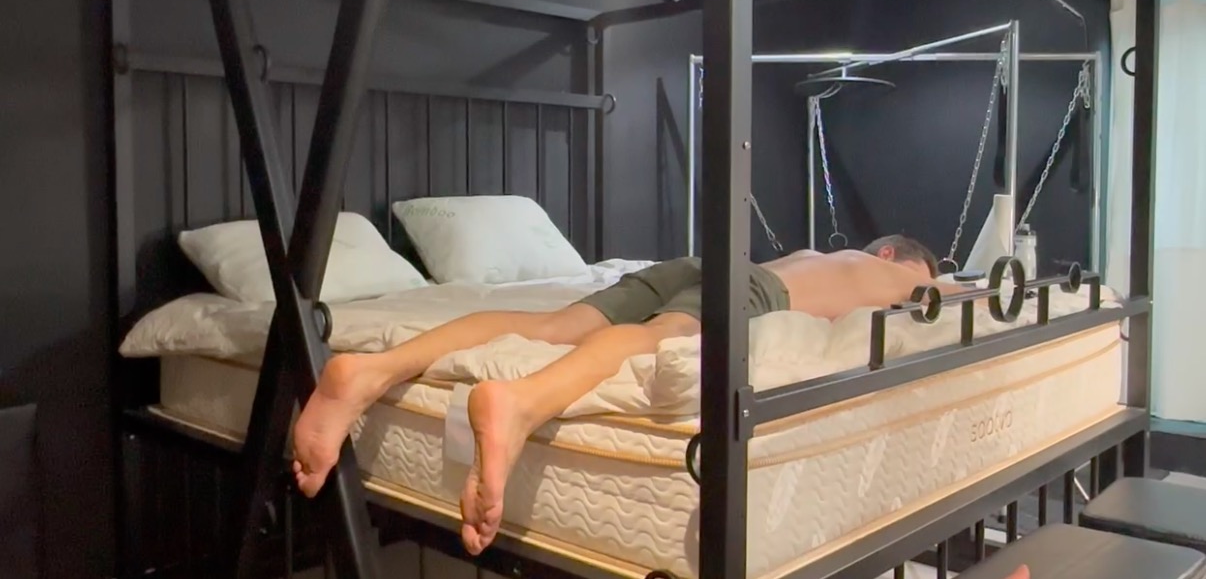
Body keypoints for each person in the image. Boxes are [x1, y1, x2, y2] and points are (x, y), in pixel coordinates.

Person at [291, 234, 962, 554]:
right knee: (662, 336)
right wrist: (937, 279)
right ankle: (520, 401)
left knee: (551, 326)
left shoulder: (815, 252)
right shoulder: (895, 275)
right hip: (761, 289)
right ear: (894, 257)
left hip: (699, 263)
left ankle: (371, 370)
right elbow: (973, 295)